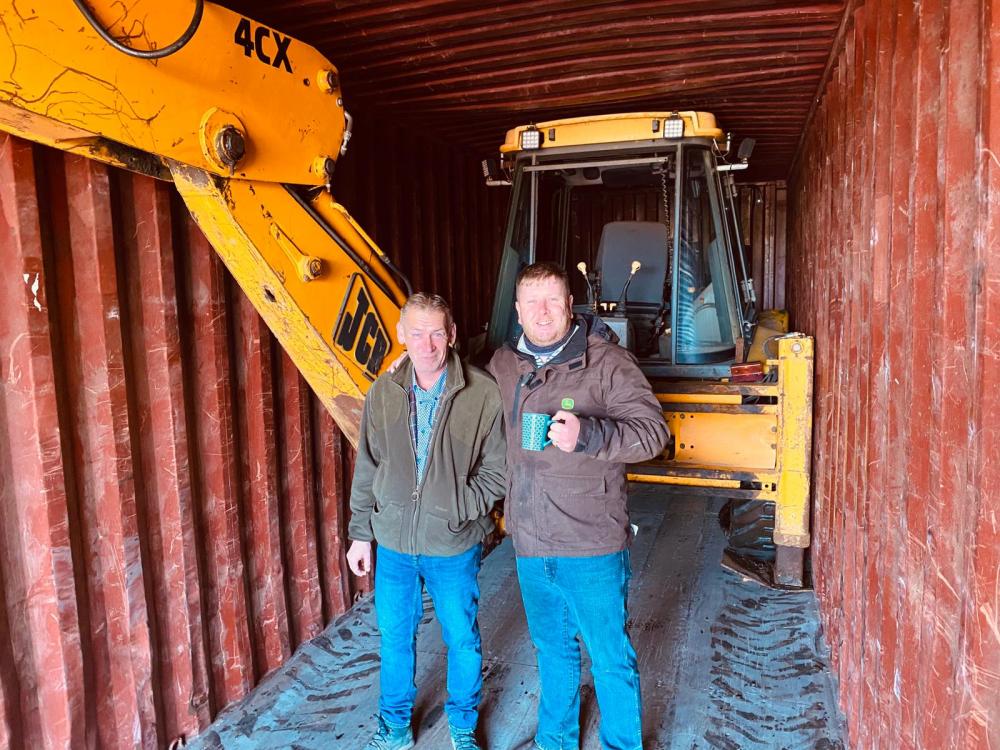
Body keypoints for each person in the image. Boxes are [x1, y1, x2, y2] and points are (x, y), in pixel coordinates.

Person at [488, 262, 669, 750]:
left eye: (552, 300)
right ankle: (556, 741)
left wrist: (587, 434)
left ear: (571, 305)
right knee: (552, 652)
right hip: (530, 541)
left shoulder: (608, 363)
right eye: (532, 302)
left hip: (591, 543)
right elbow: (462, 398)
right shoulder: (504, 365)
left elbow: (654, 434)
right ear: (518, 310)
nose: (542, 311)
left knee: (609, 656)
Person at [347, 292, 506, 750]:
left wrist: (459, 505)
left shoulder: (482, 392)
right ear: (402, 336)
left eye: (437, 332)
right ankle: (395, 726)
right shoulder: (383, 392)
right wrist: (361, 534)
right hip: (394, 542)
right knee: (395, 639)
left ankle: (462, 724)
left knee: (462, 639)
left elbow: (498, 469)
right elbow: (369, 468)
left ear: (452, 335)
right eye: (417, 332)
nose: (427, 342)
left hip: (452, 543)